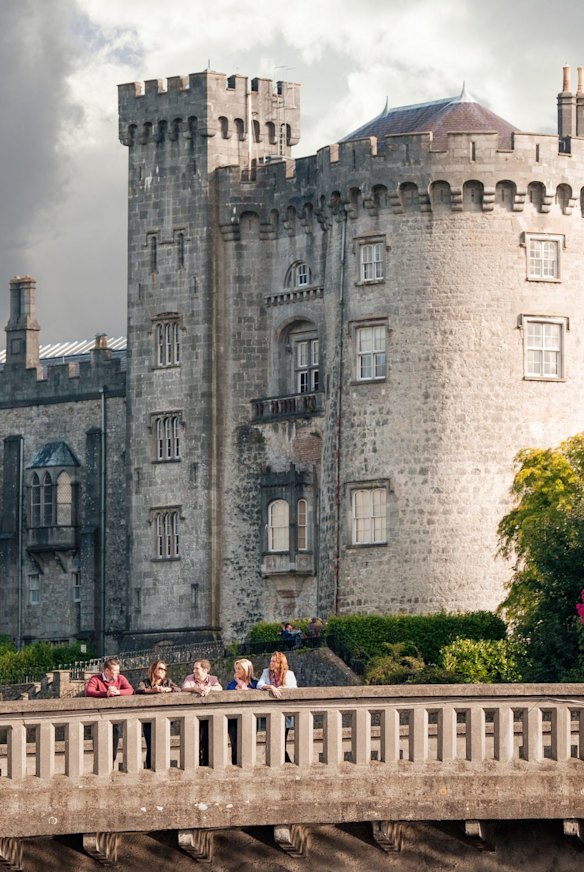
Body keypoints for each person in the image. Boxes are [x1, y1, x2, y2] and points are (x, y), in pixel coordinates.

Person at [85, 657, 134, 763]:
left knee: (114, 742)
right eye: (115, 671)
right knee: (100, 743)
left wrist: (118, 692)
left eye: (118, 670)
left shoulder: (120, 678)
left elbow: (130, 690)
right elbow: (89, 691)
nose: (118, 673)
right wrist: (105, 693)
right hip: (99, 716)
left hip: (115, 716)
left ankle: (111, 762)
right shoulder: (95, 679)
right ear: (106, 670)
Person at [136, 660, 179, 768]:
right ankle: (150, 768)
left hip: (164, 719)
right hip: (148, 720)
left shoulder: (167, 682)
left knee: (163, 745)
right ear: (153, 669)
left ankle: (164, 767)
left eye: (165, 669)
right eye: (160, 668)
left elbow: (178, 689)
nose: (163, 671)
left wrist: (167, 689)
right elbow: (139, 690)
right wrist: (153, 690)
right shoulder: (145, 682)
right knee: (151, 745)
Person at [257, 651, 297, 762]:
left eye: (274, 661)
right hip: (270, 711)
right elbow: (259, 684)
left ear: (280, 663)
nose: (271, 663)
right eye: (271, 661)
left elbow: (293, 688)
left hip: (285, 712)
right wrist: (271, 687)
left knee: (282, 742)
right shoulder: (266, 672)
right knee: (272, 741)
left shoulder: (289, 674)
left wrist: (282, 688)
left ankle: (286, 763)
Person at [181, 659, 223, 765]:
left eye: (197, 668)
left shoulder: (213, 679)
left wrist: (208, 688)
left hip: (209, 714)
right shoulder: (190, 678)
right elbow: (184, 687)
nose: (194, 671)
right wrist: (196, 689)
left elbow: (219, 688)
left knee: (207, 740)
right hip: (193, 714)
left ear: (205, 670)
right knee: (195, 740)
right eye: (194, 668)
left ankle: (205, 763)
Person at [226, 658, 258, 764]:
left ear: (246, 669)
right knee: (235, 745)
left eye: (239, 668)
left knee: (249, 744)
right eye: (236, 668)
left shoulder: (255, 683)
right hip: (233, 719)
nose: (237, 671)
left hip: (251, 718)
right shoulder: (231, 684)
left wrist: (244, 688)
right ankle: (236, 766)